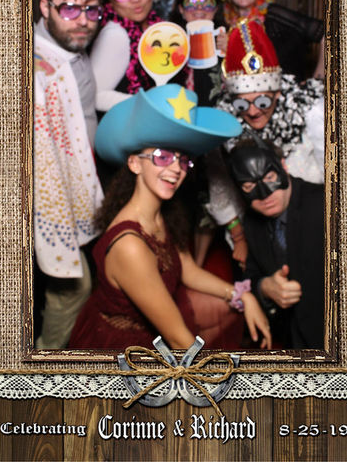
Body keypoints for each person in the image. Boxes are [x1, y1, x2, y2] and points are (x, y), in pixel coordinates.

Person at [69, 84, 272, 350]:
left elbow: (186, 269)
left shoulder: (158, 214)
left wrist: (242, 295)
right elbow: (179, 340)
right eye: (162, 157)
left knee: (225, 310)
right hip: (126, 348)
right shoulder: (130, 245)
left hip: (158, 327)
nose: (176, 169)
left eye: (182, 159)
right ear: (134, 163)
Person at [206, 18, 324, 268]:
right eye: (242, 103)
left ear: (278, 93)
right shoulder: (222, 125)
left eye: (262, 102)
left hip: (312, 222)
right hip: (257, 230)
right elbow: (220, 189)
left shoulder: (310, 111)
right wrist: (239, 238)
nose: (252, 111)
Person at [34, 0, 104, 348]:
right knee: (73, 290)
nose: (83, 21)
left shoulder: (71, 47)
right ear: (45, 7)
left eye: (91, 10)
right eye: (70, 8)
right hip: (52, 203)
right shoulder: (37, 69)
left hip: (84, 187)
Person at [227, 139, 324, 349]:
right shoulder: (252, 222)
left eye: (269, 178)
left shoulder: (326, 206)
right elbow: (251, 274)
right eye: (249, 186)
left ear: (283, 167)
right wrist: (265, 287)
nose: (265, 195)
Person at [169, 0, 227, 106]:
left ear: (216, 9)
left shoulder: (226, 40)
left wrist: (232, 54)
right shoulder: (169, 42)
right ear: (181, 10)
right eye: (191, 3)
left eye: (207, 3)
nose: (199, 8)